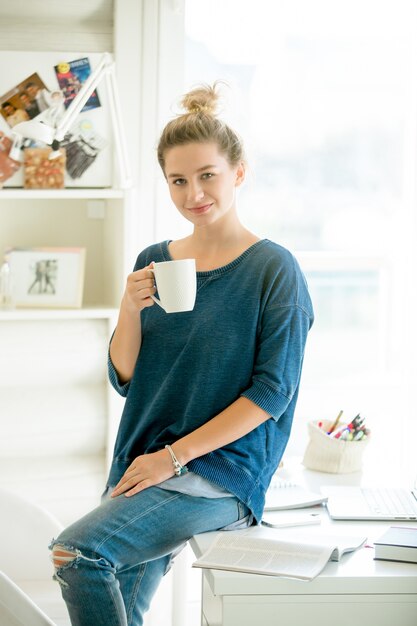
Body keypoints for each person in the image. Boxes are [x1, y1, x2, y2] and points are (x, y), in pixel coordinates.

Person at [49, 82, 314, 625]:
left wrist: (173, 458)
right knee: (125, 606)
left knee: (77, 553)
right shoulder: (155, 260)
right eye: (178, 181)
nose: (194, 192)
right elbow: (125, 376)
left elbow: (272, 393)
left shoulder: (273, 269)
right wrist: (129, 306)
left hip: (217, 472)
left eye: (207, 175)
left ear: (239, 172)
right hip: (141, 461)